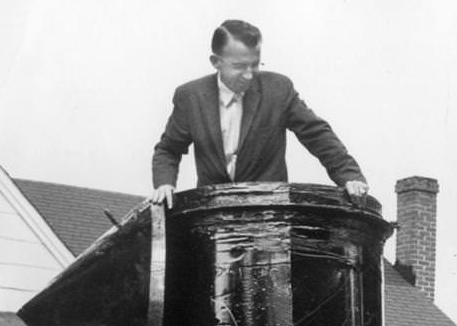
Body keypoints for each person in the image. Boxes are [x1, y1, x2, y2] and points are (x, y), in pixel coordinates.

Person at [150, 19, 369, 208]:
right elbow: (168, 150)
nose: (248, 75)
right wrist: (164, 184)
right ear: (215, 62)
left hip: (270, 212)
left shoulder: (278, 89)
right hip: (214, 212)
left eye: (254, 65)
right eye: (239, 66)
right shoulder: (190, 97)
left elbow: (317, 135)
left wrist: (349, 176)